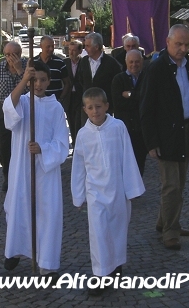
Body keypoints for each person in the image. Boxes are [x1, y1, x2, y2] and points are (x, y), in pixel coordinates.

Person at [71, 87, 145, 296]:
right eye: (90, 107)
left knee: (117, 230)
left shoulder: (118, 127)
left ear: (107, 106)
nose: (95, 111)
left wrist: (132, 188)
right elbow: (79, 167)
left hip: (118, 189)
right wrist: (78, 196)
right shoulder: (83, 135)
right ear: (85, 109)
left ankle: (116, 265)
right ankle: (100, 275)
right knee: (99, 233)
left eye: (98, 106)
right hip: (95, 193)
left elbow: (128, 157)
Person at [140, 24, 189, 251]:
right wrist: (151, 142)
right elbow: (146, 108)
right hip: (165, 135)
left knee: (180, 183)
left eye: (186, 44)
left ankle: (165, 222)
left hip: (186, 132)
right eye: (178, 44)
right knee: (171, 186)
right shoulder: (156, 69)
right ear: (167, 42)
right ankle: (170, 231)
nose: (183, 49)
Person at [2, 60, 69, 277]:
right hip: (22, 167)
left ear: (49, 81)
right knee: (18, 207)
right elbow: (8, 111)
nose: (38, 84)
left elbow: (62, 142)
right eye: (34, 80)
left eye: (42, 80)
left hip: (45, 171)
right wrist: (23, 81)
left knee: (47, 214)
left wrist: (43, 149)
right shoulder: (22, 101)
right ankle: (15, 250)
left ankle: (47, 263)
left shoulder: (55, 106)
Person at [0, 41, 28, 191]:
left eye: (13, 55)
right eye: (7, 55)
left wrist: (20, 71)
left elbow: (31, 89)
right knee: (5, 146)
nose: (10, 58)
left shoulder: (28, 68)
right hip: (3, 110)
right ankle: (7, 176)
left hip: (23, 109)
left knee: (23, 145)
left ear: (19, 54)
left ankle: (23, 178)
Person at [112, 49, 147, 176]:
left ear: (142, 61)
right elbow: (118, 104)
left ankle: (137, 189)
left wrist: (130, 95)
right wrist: (138, 98)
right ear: (126, 62)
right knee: (124, 160)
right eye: (131, 62)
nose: (134, 64)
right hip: (125, 127)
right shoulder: (118, 79)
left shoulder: (147, 77)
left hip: (141, 127)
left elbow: (147, 100)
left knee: (140, 161)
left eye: (137, 61)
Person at [76, 32, 122, 121]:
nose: (85, 49)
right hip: (87, 107)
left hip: (104, 108)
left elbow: (116, 85)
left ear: (96, 47)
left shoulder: (111, 63)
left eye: (88, 46)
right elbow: (80, 80)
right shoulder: (83, 61)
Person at [33, 35, 69, 102]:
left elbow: (67, 83)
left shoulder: (60, 62)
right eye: (48, 46)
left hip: (55, 102)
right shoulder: (33, 62)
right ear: (41, 46)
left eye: (52, 46)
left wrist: (61, 98)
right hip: (36, 102)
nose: (51, 49)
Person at [63, 40, 84, 148]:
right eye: (69, 50)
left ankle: (79, 144)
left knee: (79, 122)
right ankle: (74, 143)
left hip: (80, 97)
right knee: (71, 121)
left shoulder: (84, 62)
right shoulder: (64, 62)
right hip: (69, 97)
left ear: (80, 51)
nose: (71, 52)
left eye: (74, 50)